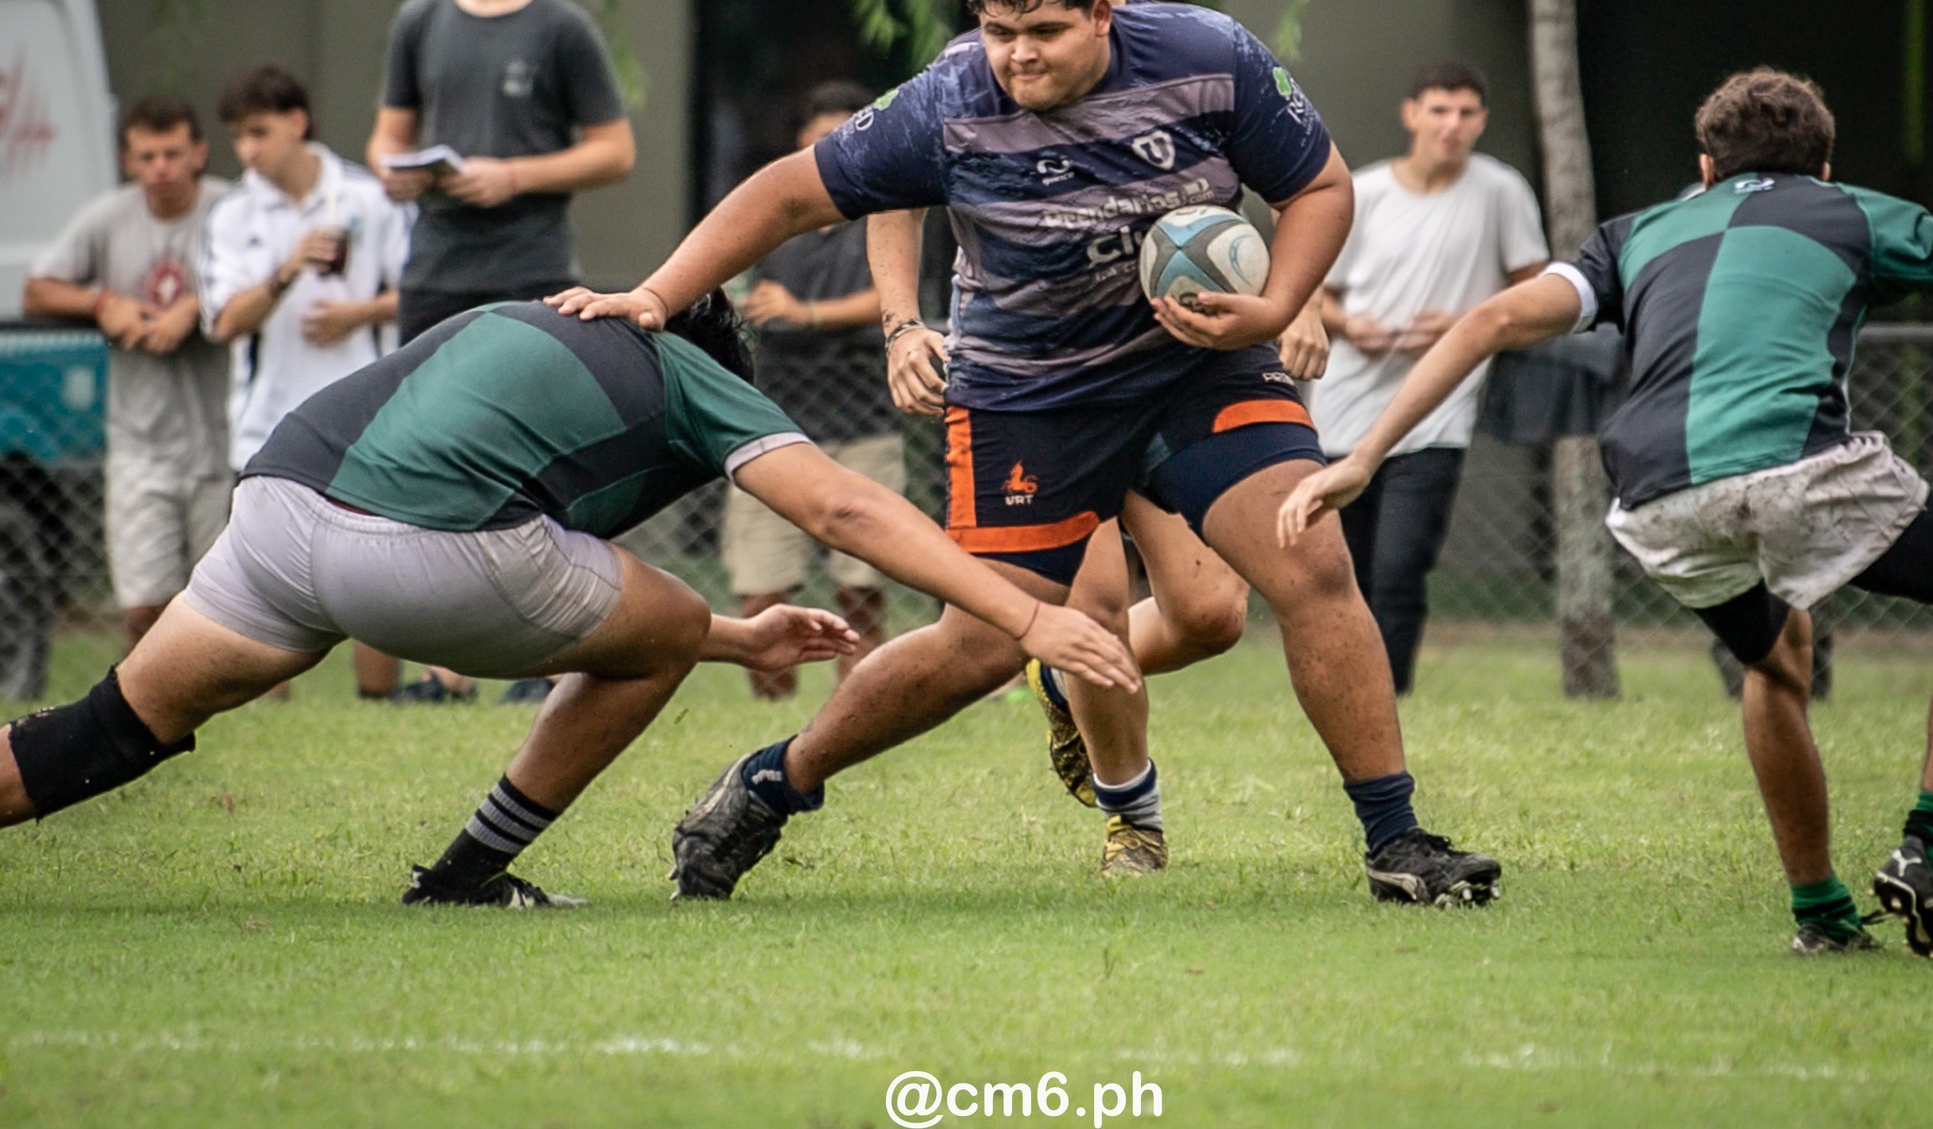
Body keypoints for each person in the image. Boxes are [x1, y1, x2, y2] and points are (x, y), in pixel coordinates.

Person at [556, 0, 1501, 909]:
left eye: (1041, 33)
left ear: (1104, 11)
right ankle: (771, 782)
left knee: (1305, 558)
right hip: (1028, 394)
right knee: (982, 646)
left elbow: (1314, 183)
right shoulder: (949, 97)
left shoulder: (1207, 58)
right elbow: (789, 195)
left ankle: (1397, 842)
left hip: (1193, 368)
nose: (1015, 55)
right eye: (999, 31)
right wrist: (657, 295)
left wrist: (1269, 306)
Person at [0, 296, 1137, 907]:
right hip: (417, 551)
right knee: (659, 638)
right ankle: (461, 878)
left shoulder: (542, 316)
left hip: (273, 518)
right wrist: (1025, 615)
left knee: (110, 727)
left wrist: (737, 636)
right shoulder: (698, 381)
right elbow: (838, 510)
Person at [1282, 69, 1933, 959]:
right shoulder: (1857, 213)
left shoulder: (1636, 232)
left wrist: (1364, 455)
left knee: (1777, 658)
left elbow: (1490, 320)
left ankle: (1824, 918)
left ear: (1706, 167)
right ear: (1826, 165)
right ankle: (1930, 849)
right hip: (1797, 464)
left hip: (1655, 499)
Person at [871, 0, 1328, 871]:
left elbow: (1268, 198)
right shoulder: (983, 62)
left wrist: (1299, 306)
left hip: (1173, 374)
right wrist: (902, 322)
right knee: (1086, 609)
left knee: (1210, 614)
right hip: (1036, 382)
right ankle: (1135, 819)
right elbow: (881, 189)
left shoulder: (1187, 52)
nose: (1037, 10)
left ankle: (1051, 679)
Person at [366, 0, 636, 702]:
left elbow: (616, 151)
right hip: (435, 269)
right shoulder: (418, 19)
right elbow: (385, 139)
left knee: (534, 457)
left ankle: (546, 656)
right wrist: (395, 171)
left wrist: (512, 175)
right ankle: (443, 670)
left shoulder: (562, 27)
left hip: (532, 268)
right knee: (426, 456)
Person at [1312, 60, 1548, 693]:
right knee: (1344, 568)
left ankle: (1390, 694)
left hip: (1436, 412)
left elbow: (1538, 292)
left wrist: (1464, 323)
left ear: (1482, 122)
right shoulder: (1362, 192)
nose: (1453, 125)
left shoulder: (1502, 192)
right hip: (1344, 409)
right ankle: (1342, 689)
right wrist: (1351, 323)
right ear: (1411, 114)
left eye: (1467, 112)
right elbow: (1315, 293)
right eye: (1440, 110)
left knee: (1400, 564)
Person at [197, 64, 415, 700]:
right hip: (267, 423)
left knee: (378, 571)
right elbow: (225, 322)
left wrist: (360, 312)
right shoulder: (233, 214)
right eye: (238, 137)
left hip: (368, 418)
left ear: (298, 122)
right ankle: (272, 714)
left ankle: (379, 707)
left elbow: (420, 292)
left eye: (260, 132)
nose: (249, 151)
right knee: (266, 580)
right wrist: (286, 271)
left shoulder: (366, 196)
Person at [24, 96, 232, 653]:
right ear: (128, 160)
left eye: (172, 153)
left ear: (199, 153)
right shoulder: (108, 218)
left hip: (227, 439)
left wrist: (198, 306)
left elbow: (269, 280)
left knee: (243, 607)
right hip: (140, 441)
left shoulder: (230, 211)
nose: (160, 167)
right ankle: (149, 714)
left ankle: (269, 716)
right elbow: (38, 288)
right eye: (147, 155)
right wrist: (102, 304)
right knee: (144, 604)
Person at [722, 81, 901, 698]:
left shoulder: (887, 210)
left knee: (861, 584)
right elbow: (731, 280)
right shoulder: (773, 213)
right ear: (801, 142)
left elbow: (891, 298)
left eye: (847, 135)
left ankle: (862, 702)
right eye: (821, 137)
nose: (834, 148)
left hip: (863, 420)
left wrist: (808, 314)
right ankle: (771, 712)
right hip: (770, 426)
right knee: (761, 585)